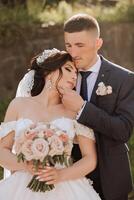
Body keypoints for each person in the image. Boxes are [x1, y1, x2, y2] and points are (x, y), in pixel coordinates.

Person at [0, 49, 101, 200]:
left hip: (66, 188)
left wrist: (60, 175)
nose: (74, 77)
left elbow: (90, 159)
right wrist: (26, 165)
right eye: (68, 69)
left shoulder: (74, 111)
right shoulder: (18, 105)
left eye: (76, 74)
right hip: (21, 187)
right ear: (50, 71)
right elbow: (2, 151)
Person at [60, 13, 134, 200]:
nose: (73, 53)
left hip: (110, 176)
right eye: (68, 45)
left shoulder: (124, 79)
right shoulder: (60, 75)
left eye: (80, 45)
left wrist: (82, 108)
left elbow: (123, 130)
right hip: (69, 177)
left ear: (98, 43)